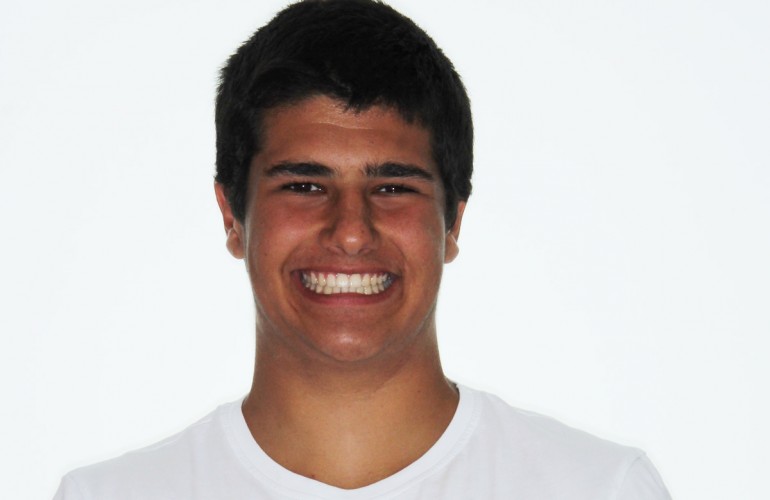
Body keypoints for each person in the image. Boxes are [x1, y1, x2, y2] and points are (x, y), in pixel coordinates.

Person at [54, 0, 671, 498]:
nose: (351, 232)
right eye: (304, 185)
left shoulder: (599, 489)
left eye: (393, 187)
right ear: (232, 216)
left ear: (452, 223)